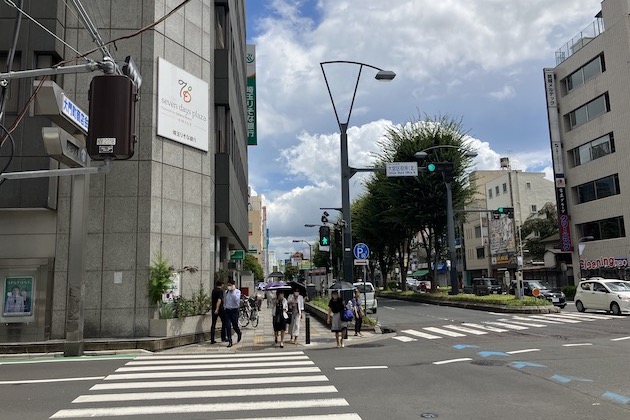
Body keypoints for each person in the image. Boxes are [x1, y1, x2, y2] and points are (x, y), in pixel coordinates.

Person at [222, 279, 242, 348]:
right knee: (227, 326)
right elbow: (224, 300)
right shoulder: (226, 292)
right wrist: (224, 307)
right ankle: (230, 341)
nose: (229, 287)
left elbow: (236, 301)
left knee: (235, 325)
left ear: (233, 285)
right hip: (227, 311)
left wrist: (233, 291)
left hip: (234, 311)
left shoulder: (237, 292)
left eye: (230, 285)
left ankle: (239, 333)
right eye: (228, 285)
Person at [210, 280, 227, 344]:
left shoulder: (213, 290)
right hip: (220, 309)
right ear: (221, 284)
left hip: (213, 308)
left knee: (213, 324)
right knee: (224, 322)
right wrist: (217, 309)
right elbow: (219, 300)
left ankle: (212, 339)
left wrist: (215, 309)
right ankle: (223, 337)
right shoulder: (220, 291)